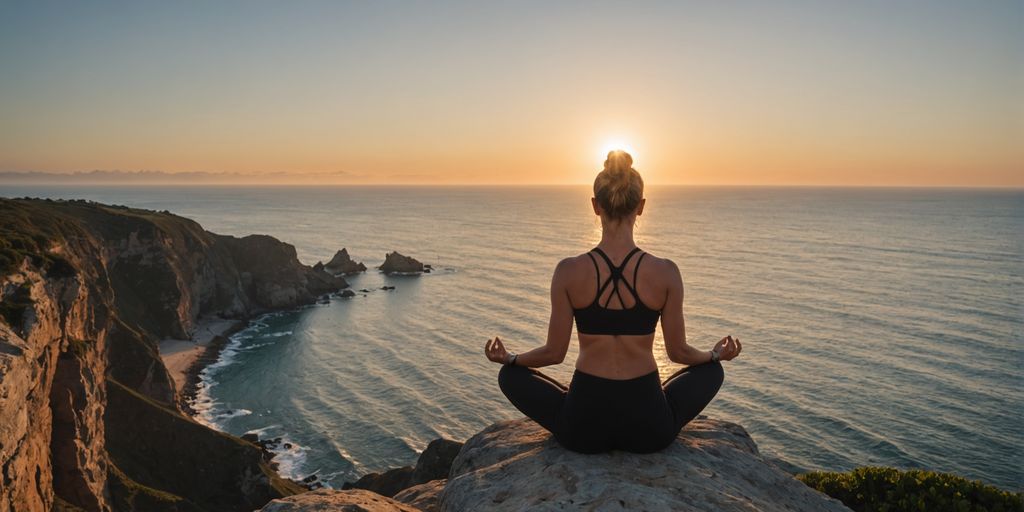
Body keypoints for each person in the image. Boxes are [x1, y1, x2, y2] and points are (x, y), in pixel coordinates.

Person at [484, 150, 742, 454]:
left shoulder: (568, 271)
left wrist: (511, 359)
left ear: (595, 206)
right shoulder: (666, 272)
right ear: (641, 207)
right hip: (649, 430)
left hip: (582, 429)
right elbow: (679, 352)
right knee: (712, 371)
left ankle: (571, 404)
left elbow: (554, 353)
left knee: (509, 376)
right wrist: (715, 355)